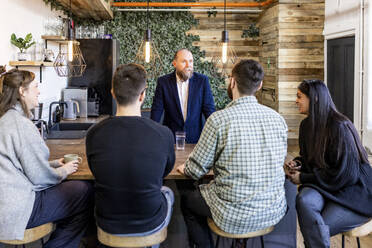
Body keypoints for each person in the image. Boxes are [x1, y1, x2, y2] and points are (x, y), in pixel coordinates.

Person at [178, 59, 288, 248]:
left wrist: (184, 166)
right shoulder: (278, 120)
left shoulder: (219, 120)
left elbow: (195, 170)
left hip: (231, 214)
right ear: (259, 85)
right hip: (271, 211)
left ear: (232, 82)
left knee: (188, 200)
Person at [0, 69, 93, 248]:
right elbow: (40, 178)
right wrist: (63, 171)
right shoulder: (20, 125)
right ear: (21, 91)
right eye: (35, 87)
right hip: (17, 209)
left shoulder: (5, 119)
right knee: (85, 191)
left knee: (74, 198)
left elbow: (16, 164)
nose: (39, 91)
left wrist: (51, 164)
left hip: (5, 203)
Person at [86, 63, 175, 248]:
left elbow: (95, 170)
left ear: (112, 93)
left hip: (107, 223)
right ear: (142, 96)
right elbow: (165, 172)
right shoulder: (164, 133)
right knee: (168, 192)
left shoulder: (94, 133)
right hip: (149, 222)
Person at [285, 79, 372, 248]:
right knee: (303, 200)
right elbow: (309, 157)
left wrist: (303, 178)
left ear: (315, 99)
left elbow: (346, 175)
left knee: (317, 227)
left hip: (352, 190)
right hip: (324, 185)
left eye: (299, 96)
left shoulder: (340, 126)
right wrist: (298, 163)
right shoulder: (306, 126)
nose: (296, 101)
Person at [151, 48, 215, 143]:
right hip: (171, 139)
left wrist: (213, 136)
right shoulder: (163, 82)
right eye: (184, 62)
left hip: (196, 139)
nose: (188, 65)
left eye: (190, 61)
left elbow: (209, 110)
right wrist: (152, 136)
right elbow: (156, 111)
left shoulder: (202, 81)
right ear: (174, 64)